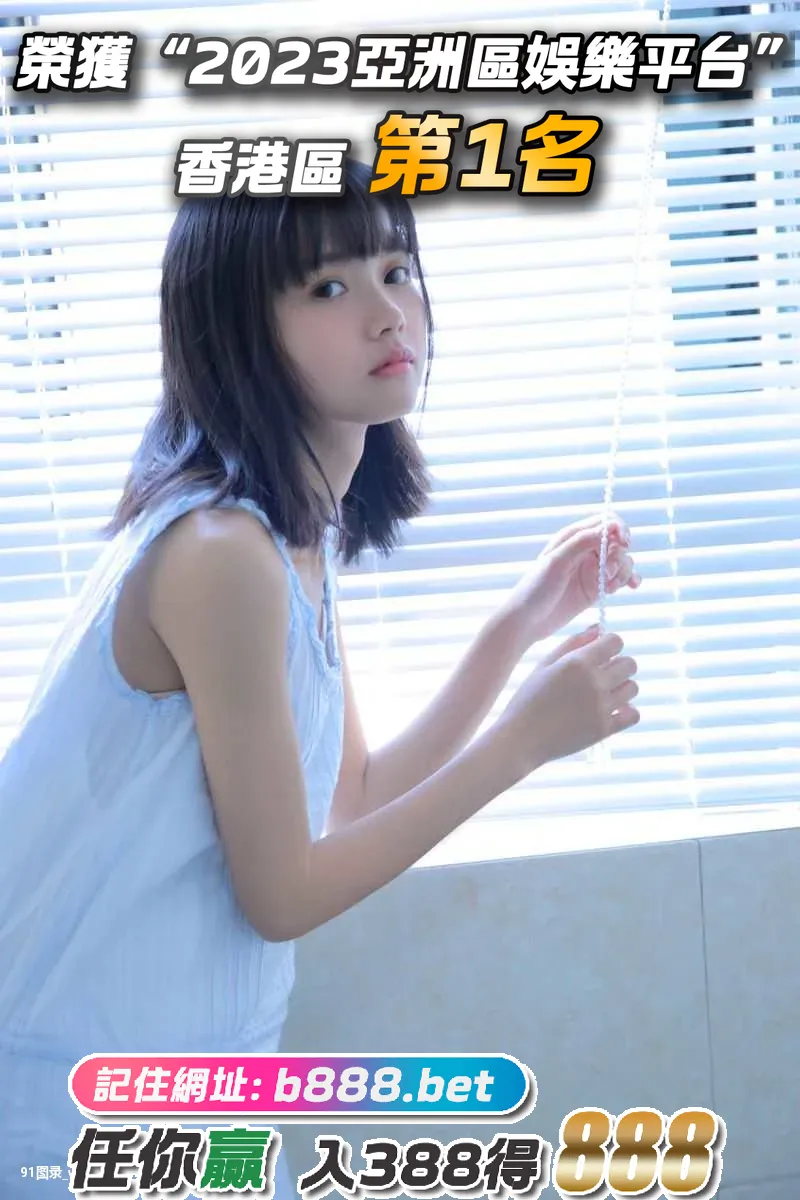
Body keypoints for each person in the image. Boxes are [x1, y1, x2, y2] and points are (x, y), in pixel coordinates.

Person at [0, 159, 641, 1198]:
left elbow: (351, 798)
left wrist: (516, 626)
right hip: (78, 1101)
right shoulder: (221, 555)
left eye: (396, 269)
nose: (388, 313)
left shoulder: (290, 535)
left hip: (197, 1084)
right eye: (329, 286)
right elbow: (283, 894)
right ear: (238, 332)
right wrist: (525, 742)